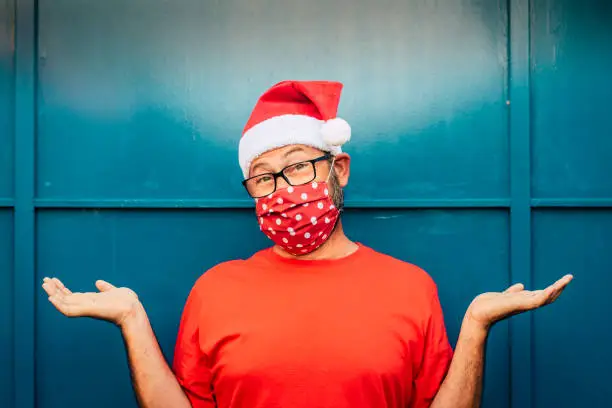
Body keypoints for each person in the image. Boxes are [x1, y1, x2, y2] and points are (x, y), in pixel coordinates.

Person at [42, 80, 572, 408]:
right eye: (264, 177)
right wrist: (132, 319)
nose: (283, 190)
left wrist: (476, 325)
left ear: (338, 167)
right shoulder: (215, 289)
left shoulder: (411, 287)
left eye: (297, 166)